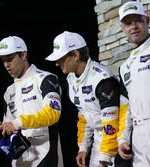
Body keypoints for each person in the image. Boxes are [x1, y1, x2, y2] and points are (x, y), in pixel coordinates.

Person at [45, 31, 120, 167]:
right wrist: (83, 147)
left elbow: (112, 123)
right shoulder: (71, 80)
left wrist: (105, 158)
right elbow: (84, 116)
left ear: (76, 55)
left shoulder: (102, 79)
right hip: (99, 140)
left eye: (61, 58)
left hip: (117, 141)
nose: (57, 63)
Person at [0, 36, 64, 167]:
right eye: (3, 61)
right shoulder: (9, 92)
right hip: (20, 161)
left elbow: (53, 113)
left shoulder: (46, 79)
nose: (6, 65)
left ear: (23, 55)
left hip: (45, 156)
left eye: (10, 59)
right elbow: (10, 130)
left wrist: (18, 123)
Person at [118, 1, 150, 166]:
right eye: (128, 23)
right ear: (123, 29)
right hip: (137, 138)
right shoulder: (125, 66)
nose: (133, 26)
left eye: (138, 21)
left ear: (147, 21)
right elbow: (126, 106)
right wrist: (123, 138)